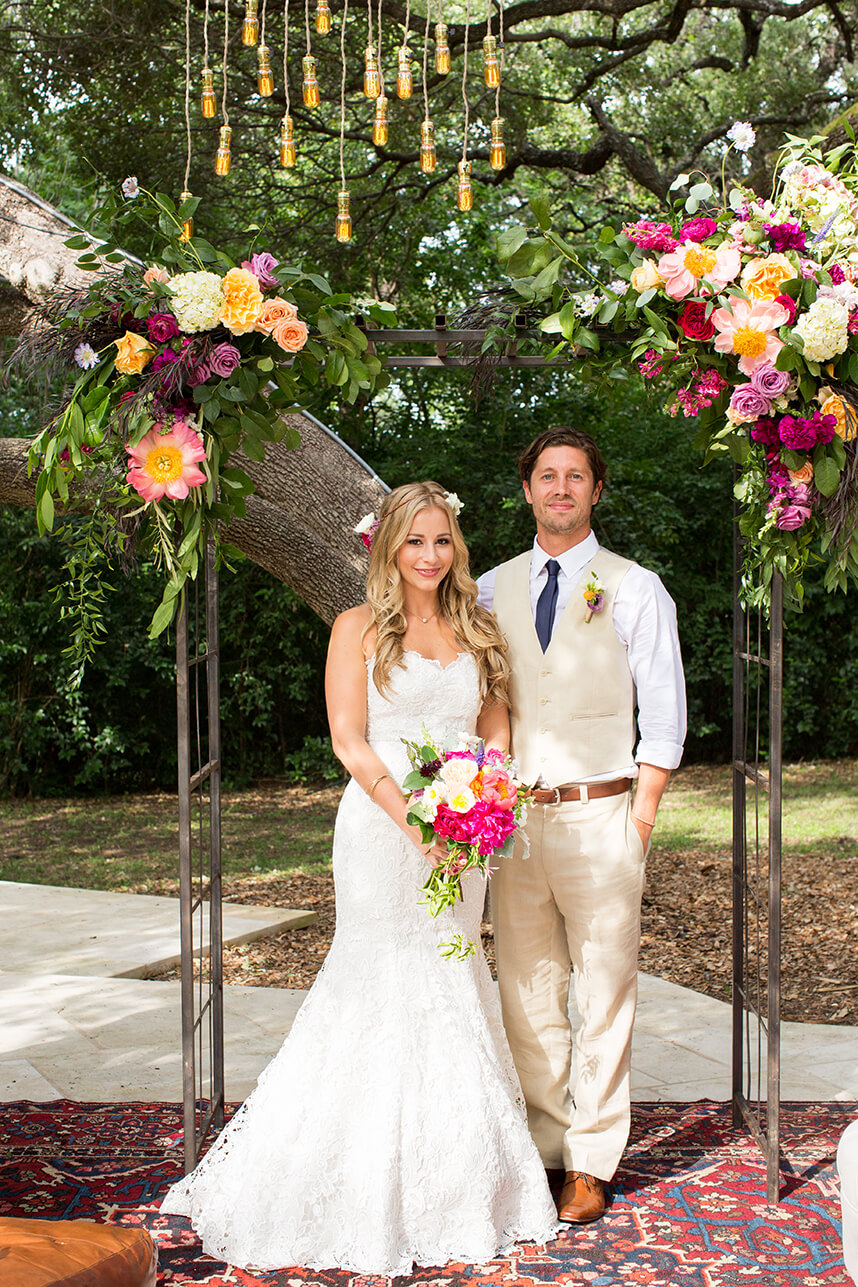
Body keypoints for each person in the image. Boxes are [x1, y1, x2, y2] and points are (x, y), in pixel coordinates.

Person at [161, 481, 558, 1274]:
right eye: (415, 542)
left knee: (451, 975)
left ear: (456, 546)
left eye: (442, 540)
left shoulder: (477, 626)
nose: (429, 556)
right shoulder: (356, 628)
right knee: (378, 978)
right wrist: (416, 821)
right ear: (387, 547)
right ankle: (346, 1178)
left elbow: (494, 723)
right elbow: (349, 738)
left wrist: (485, 803)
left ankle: (454, 1183)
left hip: (463, 832)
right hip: (382, 830)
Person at [477, 428, 686, 1226]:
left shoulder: (635, 587)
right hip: (515, 823)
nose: (560, 488)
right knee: (527, 992)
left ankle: (594, 1159)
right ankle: (548, 1146)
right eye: (546, 475)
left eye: (576, 476)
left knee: (604, 990)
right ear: (527, 489)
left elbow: (664, 713)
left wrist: (641, 816)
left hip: (603, 811)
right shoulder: (490, 590)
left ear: (597, 491)